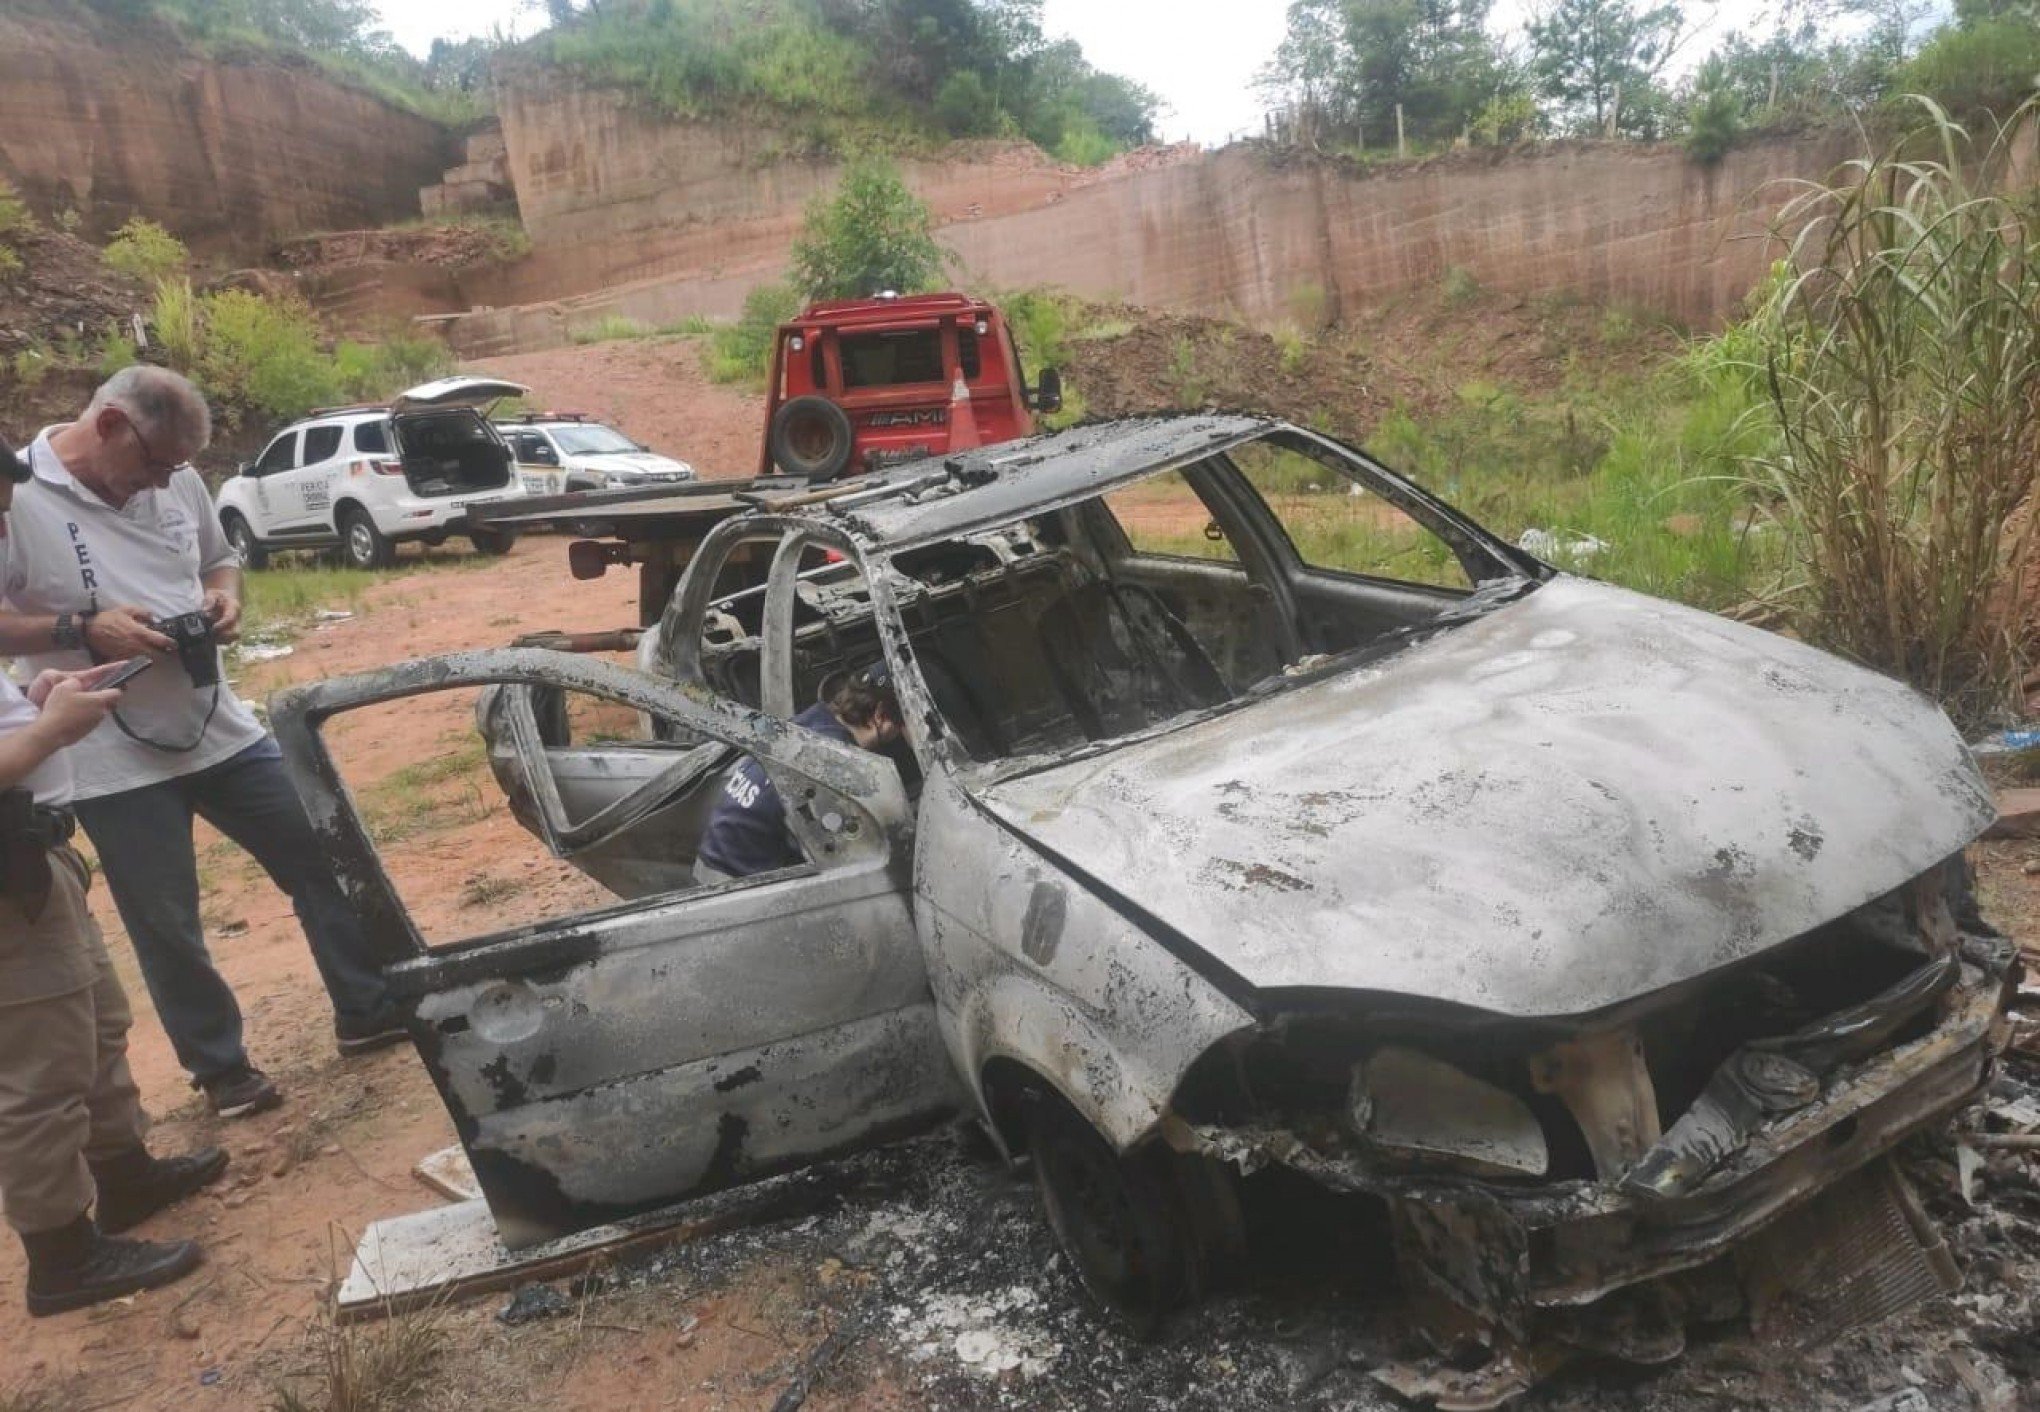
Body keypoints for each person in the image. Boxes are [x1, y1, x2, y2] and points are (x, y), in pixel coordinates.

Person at [0, 367, 404, 1122]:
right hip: (104, 752)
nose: (164, 480)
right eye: (155, 463)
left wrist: (226, 597)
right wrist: (80, 629)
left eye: (177, 468)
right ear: (112, 425)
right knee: (167, 923)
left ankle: (369, 1007)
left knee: (318, 854)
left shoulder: (173, 480)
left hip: (217, 724)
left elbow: (221, 557)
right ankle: (222, 1071)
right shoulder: (19, 494)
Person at [0, 430, 227, 1317]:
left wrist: (40, 701)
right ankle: (61, 1256)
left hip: (36, 853)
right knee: (37, 1075)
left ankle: (125, 1174)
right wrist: (51, 737)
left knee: (96, 1022)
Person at [693, 662, 903, 884]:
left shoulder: (816, 720)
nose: (899, 735)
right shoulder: (832, 760)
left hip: (713, 864)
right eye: (901, 724)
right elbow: (839, 860)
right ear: (880, 714)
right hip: (735, 889)